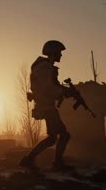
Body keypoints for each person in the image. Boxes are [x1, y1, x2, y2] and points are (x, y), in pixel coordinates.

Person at [19, 40, 74, 171]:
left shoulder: (44, 66)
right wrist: (64, 92)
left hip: (46, 106)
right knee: (63, 136)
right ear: (53, 52)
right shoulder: (45, 67)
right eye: (59, 52)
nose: (61, 55)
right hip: (46, 107)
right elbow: (47, 88)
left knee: (52, 138)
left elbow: (50, 86)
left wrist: (62, 90)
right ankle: (56, 163)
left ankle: (29, 159)